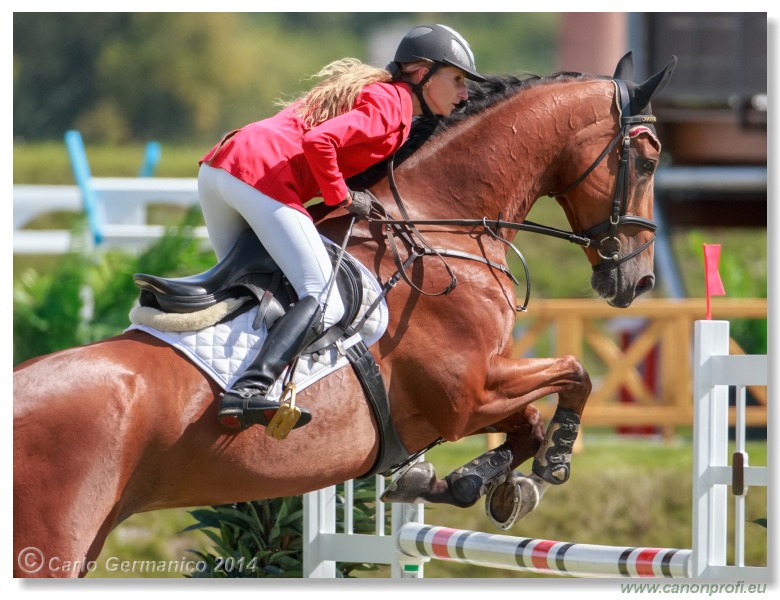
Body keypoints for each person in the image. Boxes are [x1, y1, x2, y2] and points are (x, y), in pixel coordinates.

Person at [200, 24, 485, 432]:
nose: (464, 93)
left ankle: (215, 383)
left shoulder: (388, 100)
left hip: (221, 168)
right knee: (324, 297)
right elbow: (320, 143)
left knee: (252, 293)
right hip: (258, 174)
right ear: (421, 72)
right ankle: (248, 389)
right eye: (456, 79)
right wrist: (343, 198)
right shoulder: (394, 106)